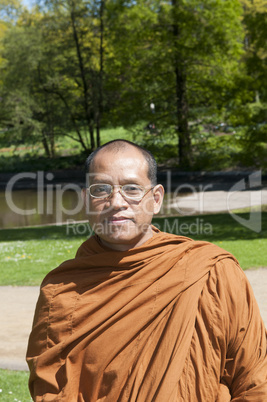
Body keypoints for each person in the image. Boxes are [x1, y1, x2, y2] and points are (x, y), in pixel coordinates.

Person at [26, 139, 267, 401]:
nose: (117, 202)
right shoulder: (61, 291)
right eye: (101, 189)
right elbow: (50, 390)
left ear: (156, 199)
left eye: (131, 188)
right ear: (86, 200)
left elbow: (255, 379)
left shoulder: (212, 271)